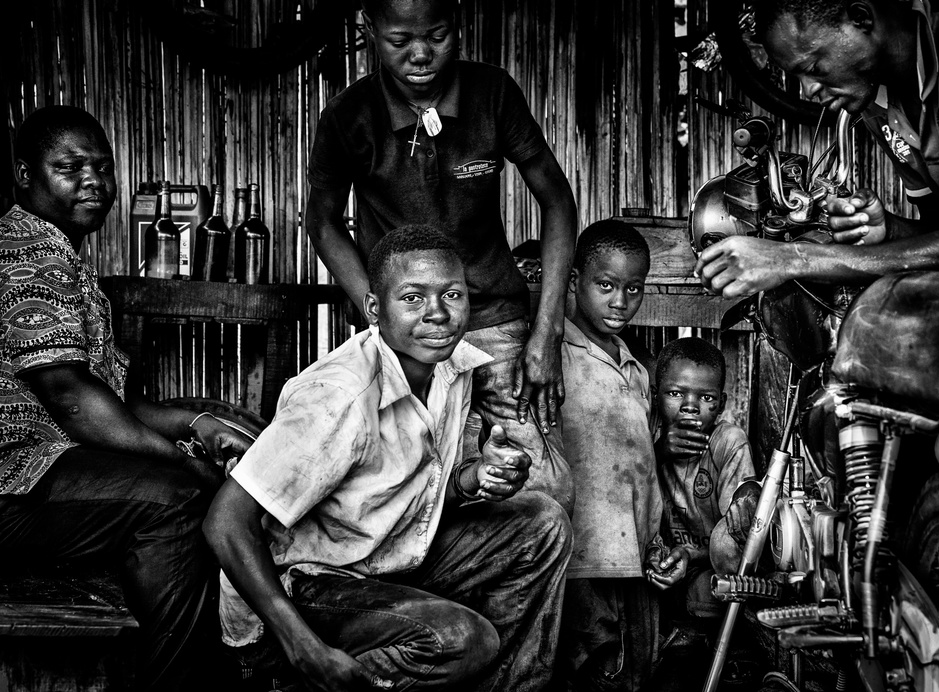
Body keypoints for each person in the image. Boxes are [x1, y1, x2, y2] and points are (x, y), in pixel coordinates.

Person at [204, 226, 572, 692]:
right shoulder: (340, 396)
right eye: (413, 298)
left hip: (384, 558)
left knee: (543, 522)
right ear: (376, 309)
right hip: (305, 586)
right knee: (461, 639)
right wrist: (304, 648)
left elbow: (402, 495)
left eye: (452, 294)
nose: (437, 314)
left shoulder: (452, 367)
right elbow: (226, 522)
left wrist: (473, 479)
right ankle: (293, 681)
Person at [0, 105, 253, 691]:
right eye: (69, 167)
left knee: (201, 461)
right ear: (23, 175)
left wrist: (201, 418)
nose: (93, 180)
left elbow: (109, 402)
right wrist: (180, 457)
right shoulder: (25, 252)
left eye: (102, 167)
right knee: (174, 498)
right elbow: (70, 401)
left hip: (45, 470)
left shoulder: (64, 257)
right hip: (12, 479)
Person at [304, 0, 578, 515]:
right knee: (406, 487)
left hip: (496, 321)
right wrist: (378, 307)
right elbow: (321, 221)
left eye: (436, 35)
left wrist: (547, 331)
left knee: (543, 491)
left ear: (458, 26)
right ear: (370, 31)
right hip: (401, 332)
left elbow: (557, 200)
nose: (421, 54)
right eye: (400, 40)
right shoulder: (349, 115)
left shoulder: (492, 94)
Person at [694, 0, 939, 298]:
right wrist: (889, 230)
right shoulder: (874, 98)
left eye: (813, 67)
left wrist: (792, 258)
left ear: (861, 18)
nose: (808, 90)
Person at [553, 220, 683, 692]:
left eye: (633, 288)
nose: (620, 301)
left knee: (637, 675)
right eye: (605, 286)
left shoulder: (635, 365)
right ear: (573, 282)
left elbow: (640, 469)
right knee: (590, 673)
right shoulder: (553, 357)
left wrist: (658, 545)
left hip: (639, 563)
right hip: (583, 563)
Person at [653, 338, 759, 628]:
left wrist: (690, 553)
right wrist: (659, 451)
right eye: (675, 393)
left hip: (708, 568)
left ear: (721, 403)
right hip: (657, 564)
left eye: (706, 398)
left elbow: (732, 539)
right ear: (655, 395)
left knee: (711, 596)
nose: (690, 407)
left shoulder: (728, 442)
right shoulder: (645, 436)